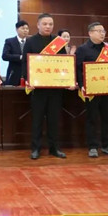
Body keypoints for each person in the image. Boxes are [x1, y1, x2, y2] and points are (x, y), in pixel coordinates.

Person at [22, 13, 72, 160]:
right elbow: (25, 63)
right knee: (37, 120)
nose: (48, 26)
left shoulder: (58, 42)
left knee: (54, 120)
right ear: (38, 25)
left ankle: (54, 148)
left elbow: (65, 63)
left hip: (55, 88)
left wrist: (68, 79)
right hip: (38, 88)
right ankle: (35, 149)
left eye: (50, 24)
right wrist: (28, 79)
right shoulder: (30, 41)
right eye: (45, 24)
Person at [76, 22, 108, 158]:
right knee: (92, 118)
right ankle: (92, 146)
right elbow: (77, 69)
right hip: (91, 90)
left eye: (103, 31)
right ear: (90, 33)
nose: (102, 34)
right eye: (99, 31)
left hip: (107, 89)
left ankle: (107, 145)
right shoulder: (82, 49)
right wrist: (82, 85)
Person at [2, 20, 29, 86]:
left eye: (27, 29)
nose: (25, 30)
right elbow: (5, 56)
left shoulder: (31, 41)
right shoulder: (10, 41)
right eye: (23, 28)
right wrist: (20, 57)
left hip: (27, 74)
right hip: (14, 73)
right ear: (16, 29)